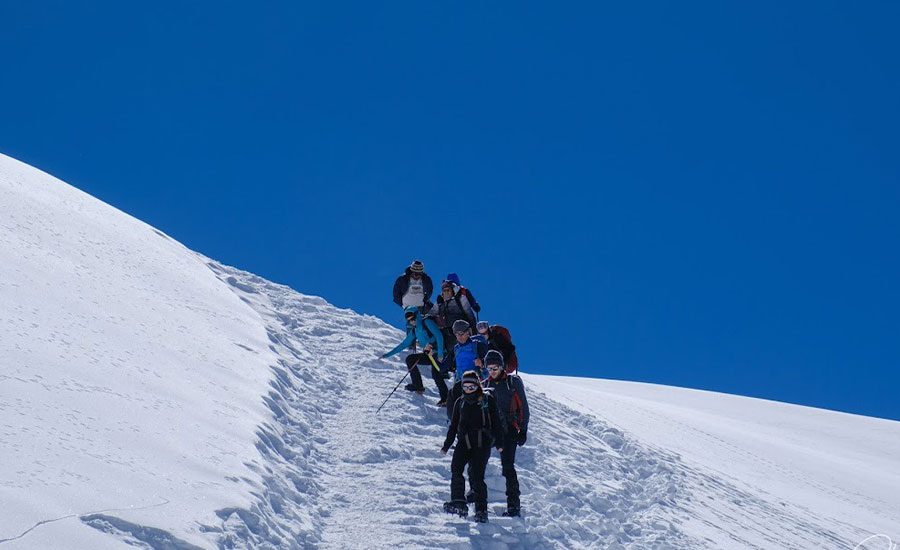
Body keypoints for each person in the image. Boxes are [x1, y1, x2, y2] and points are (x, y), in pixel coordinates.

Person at [441, 370, 503, 523]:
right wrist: (446, 446)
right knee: (456, 468)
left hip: (482, 441)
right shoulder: (459, 402)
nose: (468, 390)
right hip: (463, 441)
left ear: (477, 386)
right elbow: (453, 426)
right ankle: (458, 502)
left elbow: (497, 422)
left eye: (471, 387)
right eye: (465, 387)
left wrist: (500, 443)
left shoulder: (487, 400)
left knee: (477, 475)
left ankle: (481, 510)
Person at [482, 350, 529, 517]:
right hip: (490, 428)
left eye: (496, 367)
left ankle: (513, 506)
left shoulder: (512, 381)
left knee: (507, 465)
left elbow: (523, 405)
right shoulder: (484, 384)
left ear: (502, 367)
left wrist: (523, 429)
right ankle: (476, 494)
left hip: (509, 428)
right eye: (489, 367)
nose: (492, 371)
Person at [381, 307, 449, 403]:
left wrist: (441, 354)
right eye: (409, 320)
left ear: (417, 315)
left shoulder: (427, 322)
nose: (412, 322)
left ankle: (445, 399)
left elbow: (439, 336)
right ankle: (418, 386)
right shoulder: (414, 330)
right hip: (428, 354)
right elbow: (404, 344)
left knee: (436, 375)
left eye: (413, 319)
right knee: (410, 359)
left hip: (439, 353)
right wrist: (387, 355)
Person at [445, 319, 488, 418]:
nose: (460, 336)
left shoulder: (478, 346)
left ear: (468, 332)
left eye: (462, 333)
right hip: (460, 383)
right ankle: (454, 425)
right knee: (453, 399)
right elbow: (443, 367)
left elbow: (491, 368)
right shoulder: (456, 349)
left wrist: (481, 365)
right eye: (457, 334)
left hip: (476, 384)